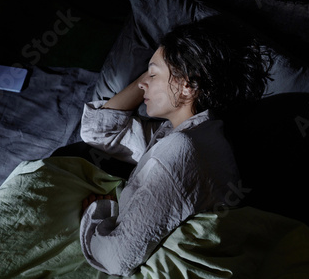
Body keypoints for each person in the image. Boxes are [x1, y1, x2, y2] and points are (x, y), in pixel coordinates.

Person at [79, 16, 270, 276]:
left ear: (189, 86)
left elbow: (116, 259)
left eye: (153, 74)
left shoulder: (181, 150)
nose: (142, 82)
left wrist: (98, 211)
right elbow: (99, 131)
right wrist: (163, 71)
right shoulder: (192, 132)